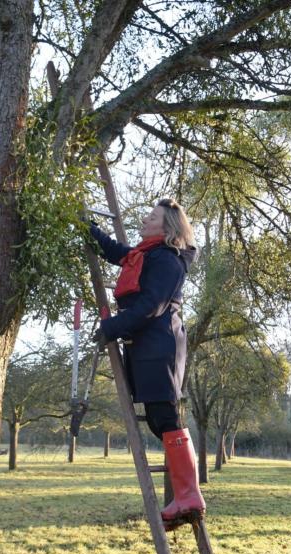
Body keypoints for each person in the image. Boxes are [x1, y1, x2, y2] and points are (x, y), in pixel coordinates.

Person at [90, 198, 204, 528]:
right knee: (158, 419)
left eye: (151, 217)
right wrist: (90, 230)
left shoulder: (169, 260)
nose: (144, 219)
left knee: (166, 415)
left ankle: (189, 495)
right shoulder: (146, 254)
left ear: (167, 226)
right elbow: (116, 252)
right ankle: (185, 499)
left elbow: (152, 306)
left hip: (160, 346)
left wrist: (111, 328)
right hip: (146, 346)